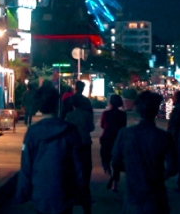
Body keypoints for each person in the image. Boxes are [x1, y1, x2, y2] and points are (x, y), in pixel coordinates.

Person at [15, 86, 85, 214]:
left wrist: (23, 192)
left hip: (40, 189)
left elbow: (26, 165)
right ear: (57, 104)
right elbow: (78, 164)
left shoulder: (33, 132)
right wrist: (81, 191)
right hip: (65, 189)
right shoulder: (70, 130)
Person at [111, 91, 177, 214]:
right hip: (156, 197)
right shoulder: (164, 137)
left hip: (133, 196)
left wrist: (133, 169)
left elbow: (115, 161)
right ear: (156, 110)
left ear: (138, 109)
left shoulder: (125, 134)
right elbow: (173, 167)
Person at [65, 94, 95, 214]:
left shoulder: (69, 116)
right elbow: (91, 128)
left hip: (72, 146)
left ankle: (73, 201)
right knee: (86, 171)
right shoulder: (87, 115)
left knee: (73, 172)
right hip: (85, 144)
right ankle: (86, 206)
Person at [100, 94, 127, 191]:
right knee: (116, 161)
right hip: (117, 138)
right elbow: (123, 127)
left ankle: (110, 175)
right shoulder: (123, 114)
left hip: (107, 137)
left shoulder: (106, 113)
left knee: (105, 159)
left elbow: (102, 125)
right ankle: (114, 184)